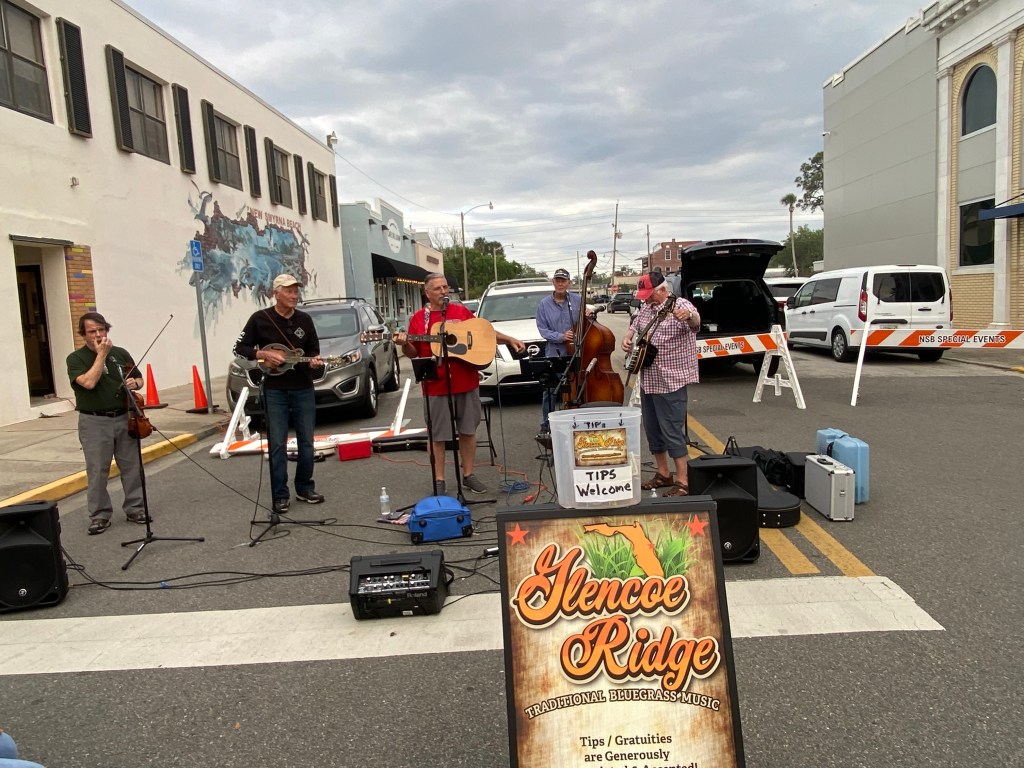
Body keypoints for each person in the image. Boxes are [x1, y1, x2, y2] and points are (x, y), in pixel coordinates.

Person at [396, 273, 525, 496]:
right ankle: (439, 480)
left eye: (445, 287)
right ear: (427, 293)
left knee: (468, 430)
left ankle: (468, 474)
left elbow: (484, 332)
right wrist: (404, 344)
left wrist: (509, 339)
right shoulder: (419, 319)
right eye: (438, 288)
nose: (443, 291)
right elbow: (413, 352)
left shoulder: (460, 311)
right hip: (436, 385)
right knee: (438, 435)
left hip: (465, 381)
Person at [233, 274, 324, 515]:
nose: (294, 295)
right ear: (276, 293)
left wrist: (315, 361)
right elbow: (239, 348)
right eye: (289, 291)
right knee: (277, 444)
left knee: (307, 441)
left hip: (303, 387)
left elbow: (313, 350)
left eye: (296, 291)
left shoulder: (304, 320)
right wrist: (263, 354)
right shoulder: (260, 319)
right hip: (274, 389)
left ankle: (305, 487)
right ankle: (280, 495)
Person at [66, 312, 148, 536]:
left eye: (101, 330)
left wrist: (135, 383)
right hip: (94, 421)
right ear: (83, 334)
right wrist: (101, 354)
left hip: (123, 417)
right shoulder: (76, 359)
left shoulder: (120, 353)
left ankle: (136, 508)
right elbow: (89, 383)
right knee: (97, 470)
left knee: (132, 466)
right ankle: (100, 515)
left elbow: (139, 377)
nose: (98, 335)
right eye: (92, 331)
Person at [621, 271, 700, 497]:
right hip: (649, 378)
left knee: (672, 429)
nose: (646, 299)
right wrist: (627, 336)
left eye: (649, 294)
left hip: (671, 379)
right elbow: (636, 323)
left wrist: (689, 316)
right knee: (653, 429)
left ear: (663, 290)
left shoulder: (681, 305)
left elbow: (696, 322)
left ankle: (683, 480)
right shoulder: (647, 307)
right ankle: (663, 473)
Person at [535, 267, 585, 436]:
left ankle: (577, 420)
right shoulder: (543, 304)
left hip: (576, 353)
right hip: (555, 353)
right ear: (553, 282)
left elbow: (586, 322)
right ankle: (546, 424)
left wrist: (589, 315)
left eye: (564, 281)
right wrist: (561, 336)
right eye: (558, 280)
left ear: (569, 283)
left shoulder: (578, 300)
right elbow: (543, 330)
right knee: (550, 391)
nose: (561, 283)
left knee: (577, 388)